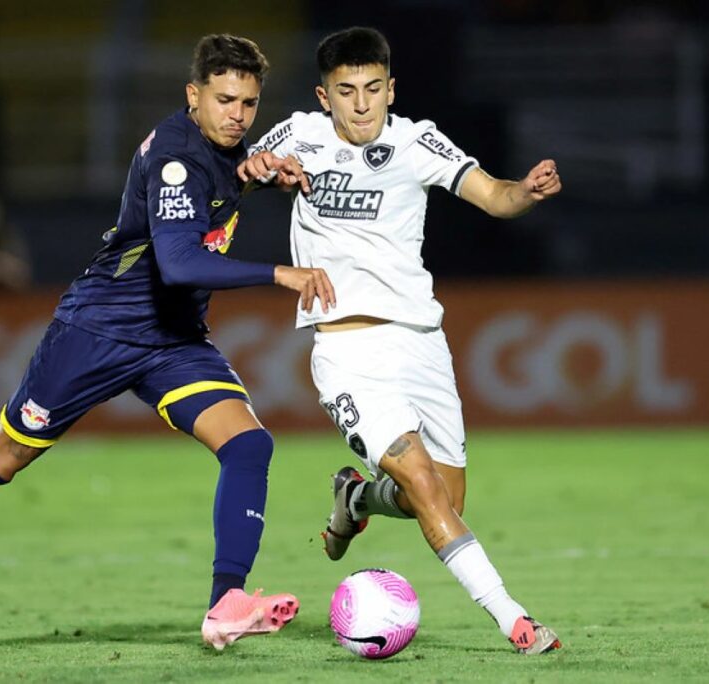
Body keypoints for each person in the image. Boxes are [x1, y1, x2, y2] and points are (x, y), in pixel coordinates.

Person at [0, 34, 334, 651]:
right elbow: (180, 264)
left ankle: (226, 602)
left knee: (248, 445)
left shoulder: (226, 151)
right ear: (194, 96)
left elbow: (220, 190)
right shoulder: (175, 158)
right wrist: (280, 273)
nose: (236, 114)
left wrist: (261, 174)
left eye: (247, 103)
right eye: (223, 99)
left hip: (172, 341)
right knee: (4, 458)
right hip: (98, 330)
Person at [238, 27, 562, 655]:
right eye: (346, 92)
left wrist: (524, 191)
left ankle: (354, 498)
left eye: (372, 90)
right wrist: (256, 169)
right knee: (421, 481)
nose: (361, 105)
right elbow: (239, 172)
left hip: (421, 344)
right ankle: (514, 620)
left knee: (441, 499)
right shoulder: (298, 133)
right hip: (347, 350)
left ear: (392, 89)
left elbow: (493, 194)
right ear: (323, 95)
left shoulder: (415, 141)